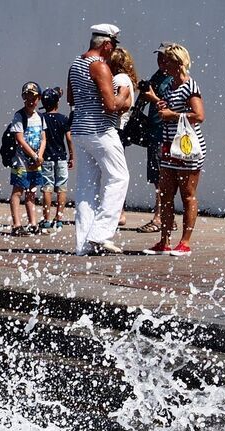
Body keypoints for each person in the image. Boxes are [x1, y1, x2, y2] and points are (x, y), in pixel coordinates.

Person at [67, 23, 130, 256]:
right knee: (119, 177)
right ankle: (101, 233)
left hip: (80, 131)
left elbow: (72, 97)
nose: (113, 50)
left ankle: (83, 245)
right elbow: (111, 106)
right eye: (113, 45)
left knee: (86, 187)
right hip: (100, 131)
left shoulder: (76, 64)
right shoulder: (100, 66)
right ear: (105, 44)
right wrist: (124, 96)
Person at [141, 43, 205, 257]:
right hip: (168, 147)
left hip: (187, 149)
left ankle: (185, 242)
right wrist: (157, 102)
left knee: (187, 196)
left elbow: (199, 116)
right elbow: (168, 109)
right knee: (166, 194)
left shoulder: (190, 86)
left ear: (177, 63)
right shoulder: (169, 86)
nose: (162, 64)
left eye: (167, 60)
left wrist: (173, 116)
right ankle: (165, 241)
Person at [135, 46, 175, 235]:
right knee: (157, 178)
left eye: (164, 57)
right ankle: (168, 217)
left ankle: (159, 218)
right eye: (158, 57)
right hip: (154, 132)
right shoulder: (158, 75)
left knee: (162, 178)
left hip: (164, 133)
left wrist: (152, 97)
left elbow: (171, 105)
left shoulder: (173, 79)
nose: (160, 61)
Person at [7, 82, 45, 236]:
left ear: (39, 98)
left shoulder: (40, 117)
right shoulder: (19, 116)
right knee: (18, 191)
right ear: (23, 97)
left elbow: (44, 138)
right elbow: (20, 139)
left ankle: (33, 223)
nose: (30, 100)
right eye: (27, 96)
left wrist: (40, 155)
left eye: (33, 97)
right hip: (21, 161)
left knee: (32, 192)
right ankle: (16, 224)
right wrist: (34, 155)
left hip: (35, 162)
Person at [108, 46, 137, 229]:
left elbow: (122, 104)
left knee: (113, 172)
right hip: (121, 128)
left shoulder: (119, 79)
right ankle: (119, 211)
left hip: (116, 128)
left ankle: (118, 212)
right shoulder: (126, 79)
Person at [38, 88, 73, 232]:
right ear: (57, 103)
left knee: (47, 188)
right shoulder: (63, 119)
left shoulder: (41, 118)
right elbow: (69, 138)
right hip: (61, 158)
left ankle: (46, 220)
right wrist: (72, 155)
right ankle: (58, 219)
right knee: (61, 188)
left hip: (46, 158)